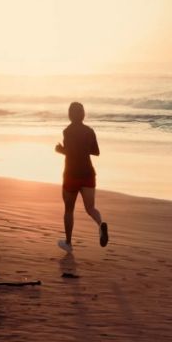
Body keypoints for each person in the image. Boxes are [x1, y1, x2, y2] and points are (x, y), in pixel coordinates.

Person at [54, 102, 108, 252]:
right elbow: (96, 152)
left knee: (69, 210)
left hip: (71, 174)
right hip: (88, 174)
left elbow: (71, 153)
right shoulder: (89, 131)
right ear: (83, 114)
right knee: (91, 208)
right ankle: (100, 224)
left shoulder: (67, 132)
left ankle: (68, 243)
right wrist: (84, 148)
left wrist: (60, 150)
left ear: (70, 115)